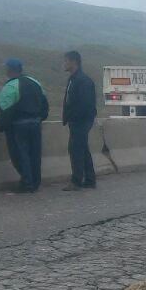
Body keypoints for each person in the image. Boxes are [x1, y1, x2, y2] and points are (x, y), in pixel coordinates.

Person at [0, 59, 48, 193]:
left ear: (10, 70)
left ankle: (26, 183)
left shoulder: (10, 87)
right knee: (35, 154)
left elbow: (5, 110)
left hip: (18, 126)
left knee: (20, 154)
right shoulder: (35, 83)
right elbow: (45, 104)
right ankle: (35, 182)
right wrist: (39, 118)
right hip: (35, 123)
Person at [61, 51, 97, 191]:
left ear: (73, 62)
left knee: (75, 149)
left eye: (66, 61)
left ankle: (76, 181)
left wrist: (75, 117)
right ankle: (89, 179)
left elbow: (85, 104)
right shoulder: (73, 79)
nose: (64, 64)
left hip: (81, 121)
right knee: (83, 149)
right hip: (77, 120)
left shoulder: (82, 80)